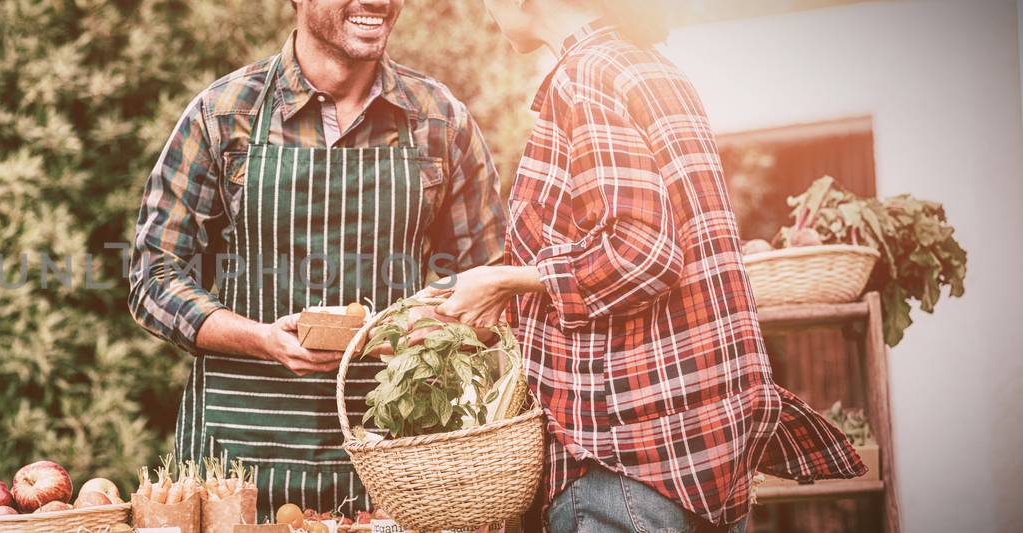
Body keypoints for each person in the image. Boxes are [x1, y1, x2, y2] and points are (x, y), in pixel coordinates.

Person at [430, 1, 867, 531]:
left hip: (624, 459)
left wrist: (505, 278)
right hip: (699, 447)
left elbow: (642, 253)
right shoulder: (650, 67)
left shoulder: (585, 77)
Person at [127, 0, 504, 521]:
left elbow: (492, 288)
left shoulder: (439, 121)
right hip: (237, 464)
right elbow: (153, 278)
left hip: (391, 457)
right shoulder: (223, 114)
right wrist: (261, 339)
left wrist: (412, 331)